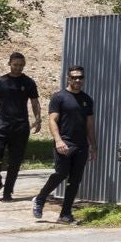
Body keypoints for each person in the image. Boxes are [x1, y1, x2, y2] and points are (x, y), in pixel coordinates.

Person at [34, 65, 96, 224]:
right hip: (64, 143)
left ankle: (65, 214)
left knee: (75, 180)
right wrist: (58, 140)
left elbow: (89, 125)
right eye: (74, 77)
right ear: (68, 78)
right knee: (61, 173)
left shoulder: (87, 99)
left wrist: (93, 146)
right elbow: (52, 120)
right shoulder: (59, 97)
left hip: (81, 145)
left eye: (80, 77)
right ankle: (40, 198)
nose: (77, 80)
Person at [0, 52, 42, 201]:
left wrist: (38, 119)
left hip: (20, 126)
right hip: (1, 124)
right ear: (9, 64)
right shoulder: (0, 82)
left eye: (21, 65)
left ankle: (8, 190)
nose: (18, 68)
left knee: (15, 160)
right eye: (15, 65)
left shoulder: (28, 82)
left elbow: (35, 102)